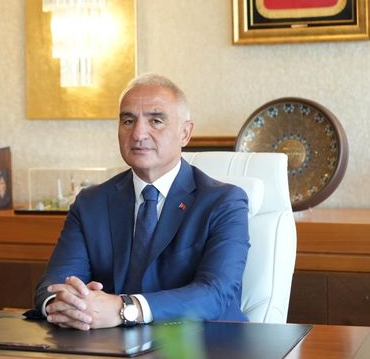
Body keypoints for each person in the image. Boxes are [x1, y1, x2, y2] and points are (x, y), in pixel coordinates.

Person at [35, 74, 250, 330]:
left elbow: (214, 295)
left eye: (156, 121)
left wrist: (124, 308)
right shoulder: (91, 202)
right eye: (128, 121)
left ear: (185, 133)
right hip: (106, 344)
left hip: (201, 343)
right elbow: (55, 283)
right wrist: (66, 305)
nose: (138, 133)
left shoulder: (224, 202)